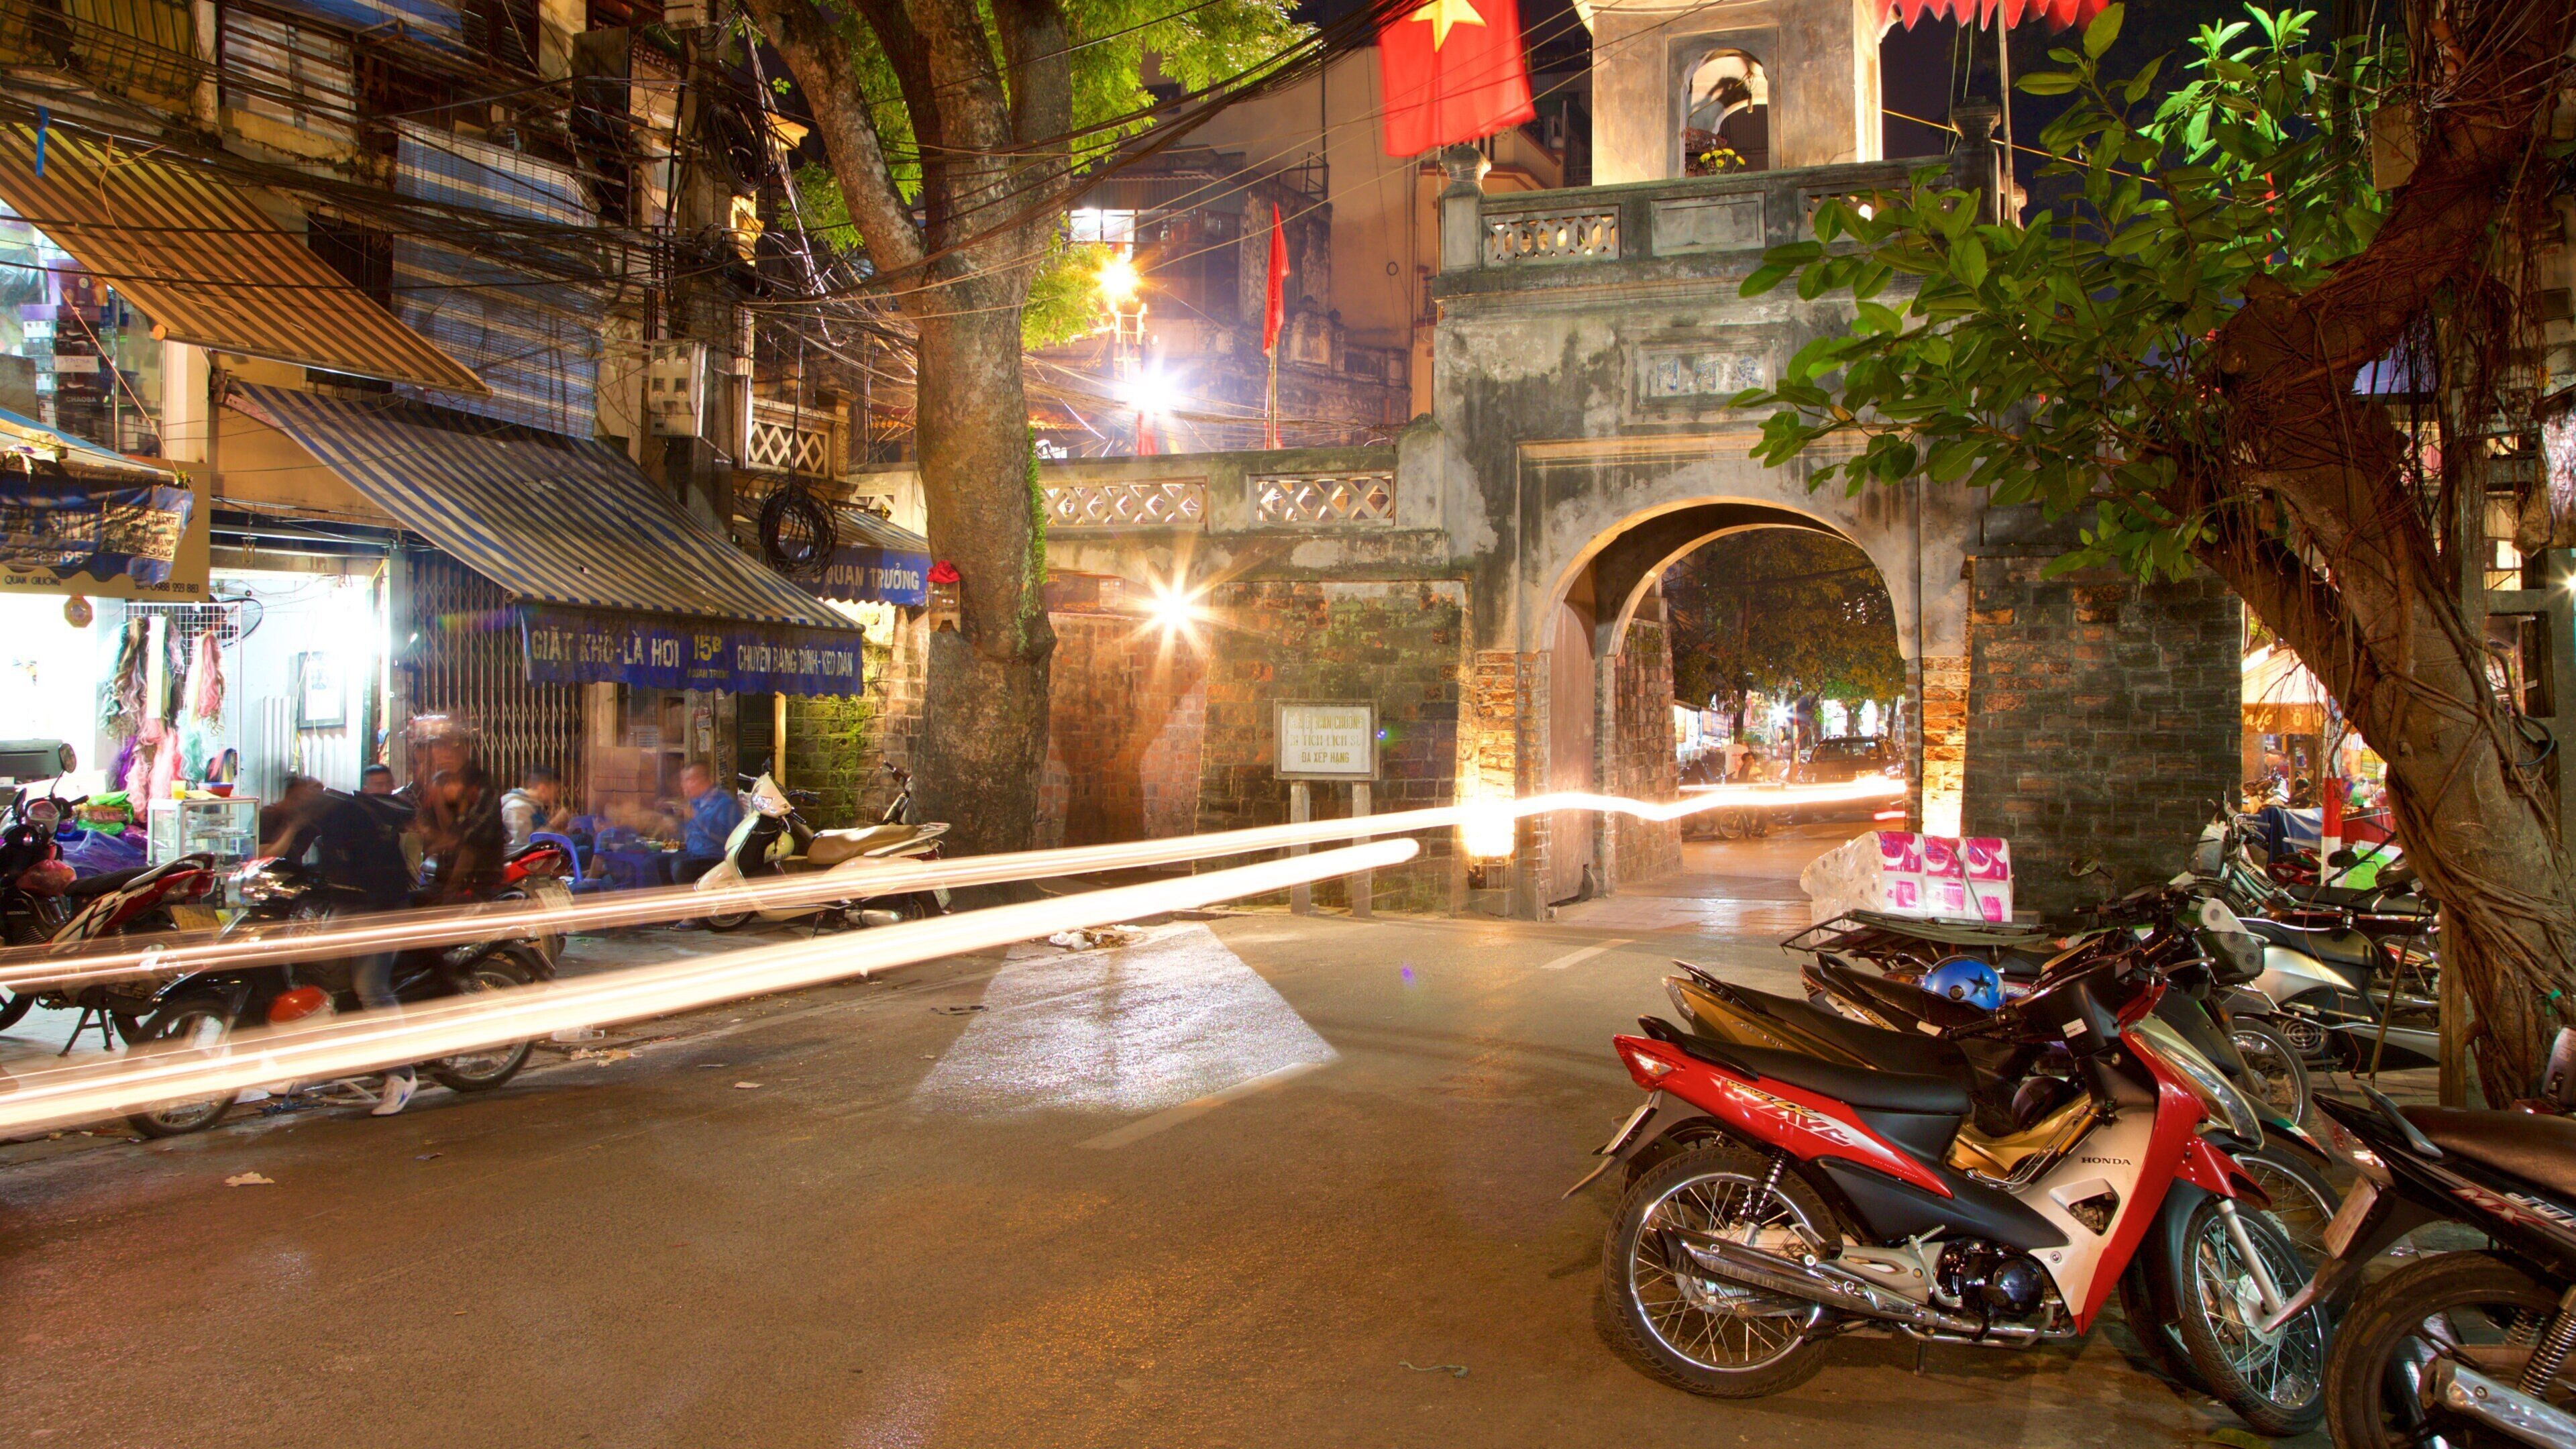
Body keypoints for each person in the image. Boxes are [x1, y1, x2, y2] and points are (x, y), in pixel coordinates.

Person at [267, 785, 421, 1116]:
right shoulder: (322, 816)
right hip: (349, 905)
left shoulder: (348, 816)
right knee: (319, 976)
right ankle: (320, 1065)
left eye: (293, 802)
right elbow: (288, 856)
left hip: (382, 908)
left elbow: (374, 870)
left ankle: (402, 1074)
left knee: (371, 988)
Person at [415, 763, 507, 907]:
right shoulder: (458, 809)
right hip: (455, 882)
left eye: (453, 783)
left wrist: (450, 889)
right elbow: (447, 834)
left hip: (478, 885)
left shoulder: (482, 810)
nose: (450, 788)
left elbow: (468, 850)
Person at [674, 761, 741, 883]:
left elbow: (728, 837)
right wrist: (671, 824)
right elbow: (691, 835)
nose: (683, 785)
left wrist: (697, 817)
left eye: (687, 780)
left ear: (699, 780)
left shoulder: (724, 802)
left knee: (680, 867)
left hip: (714, 857)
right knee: (652, 862)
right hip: (693, 854)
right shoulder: (695, 802)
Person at [499, 765, 562, 855]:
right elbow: (525, 842)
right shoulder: (516, 807)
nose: (556, 795)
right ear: (543, 788)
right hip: (527, 859)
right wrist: (554, 824)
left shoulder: (532, 805)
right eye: (555, 791)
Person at [257, 775, 323, 855]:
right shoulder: (267, 816)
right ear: (289, 796)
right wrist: (293, 828)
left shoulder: (309, 822)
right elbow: (266, 857)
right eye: (299, 799)